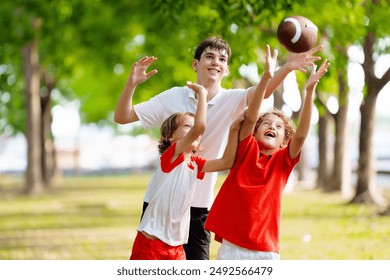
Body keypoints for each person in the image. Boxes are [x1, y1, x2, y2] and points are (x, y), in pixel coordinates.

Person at [114, 35, 323, 260]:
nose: (216, 62)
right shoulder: (174, 96)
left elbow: (264, 92)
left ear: (226, 69)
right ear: (196, 64)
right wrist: (131, 84)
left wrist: (288, 67)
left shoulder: (232, 99)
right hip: (161, 200)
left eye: (222, 59)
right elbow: (123, 116)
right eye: (210, 57)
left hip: (199, 205)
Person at [204, 50, 330, 260]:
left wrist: (309, 92)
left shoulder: (283, 161)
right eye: (267, 123)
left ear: (284, 140)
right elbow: (251, 116)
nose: (272, 126)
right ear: (255, 131)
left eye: (279, 126)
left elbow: (301, 136)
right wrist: (266, 78)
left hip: (265, 250)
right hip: (232, 248)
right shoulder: (246, 148)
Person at [130, 81, 243, 260]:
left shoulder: (195, 164)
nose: (195, 132)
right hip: (152, 243)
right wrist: (202, 95)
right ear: (170, 136)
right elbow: (200, 127)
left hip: (176, 247)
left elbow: (227, 162)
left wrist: (234, 129)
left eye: (194, 128)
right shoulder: (172, 155)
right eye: (187, 126)